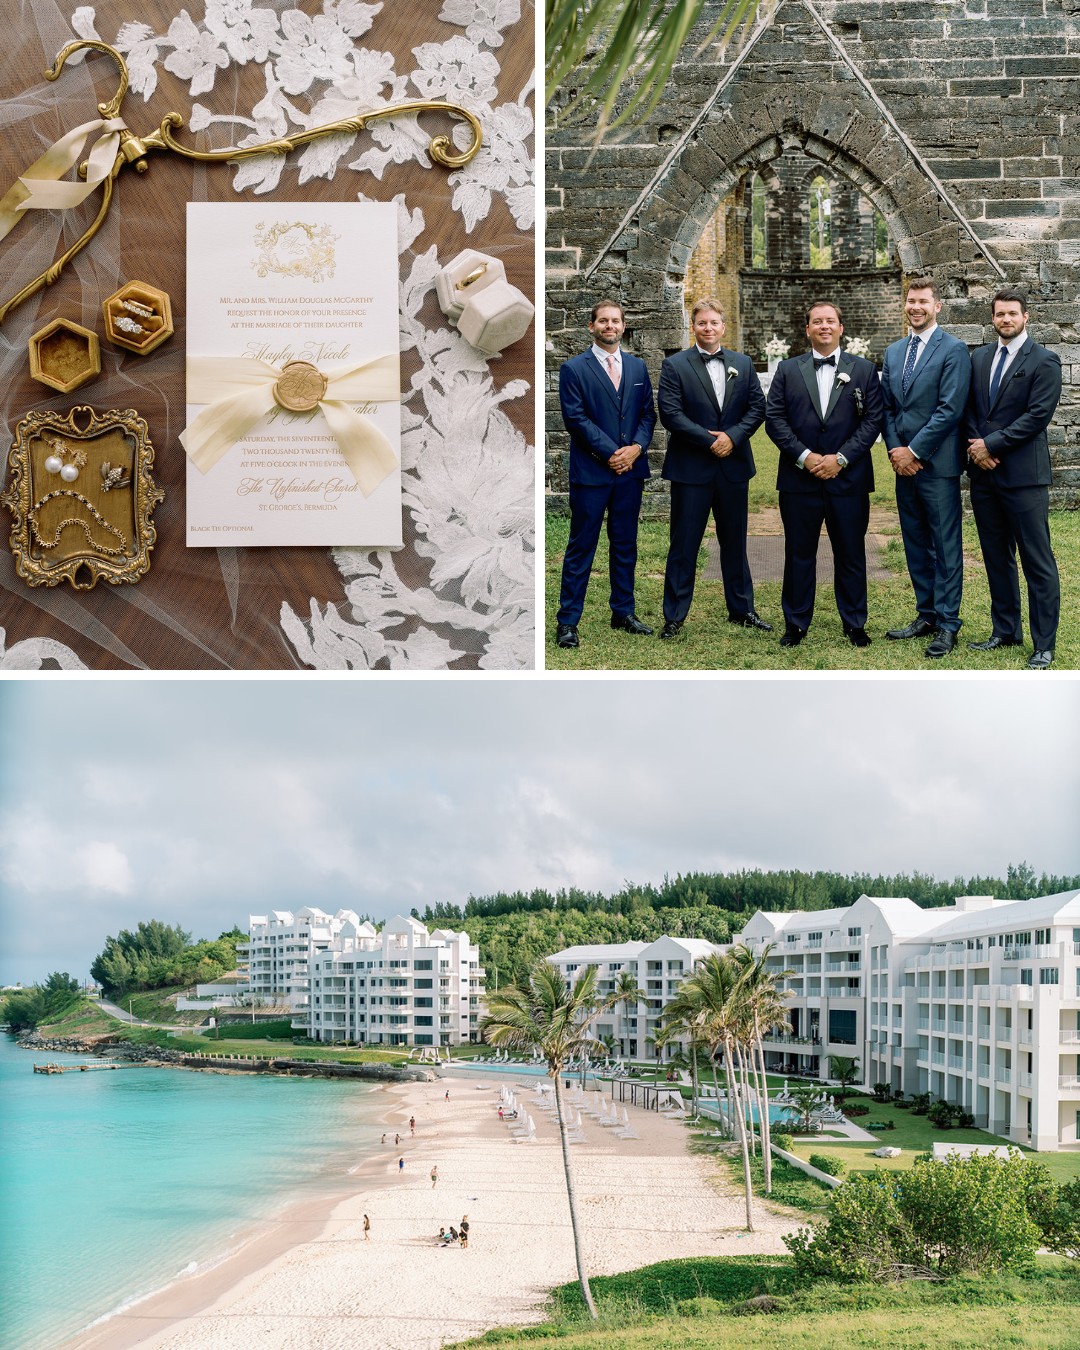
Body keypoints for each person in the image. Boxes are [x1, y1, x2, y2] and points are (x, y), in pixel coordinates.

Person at [765, 299, 883, 647]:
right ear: (807, 329)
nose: (824, 326)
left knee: (850, 551)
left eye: (831, 321)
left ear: (841, 328)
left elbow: (873, 419)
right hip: (800, 479)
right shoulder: (787, 370)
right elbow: (775, 419)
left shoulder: (862, 369)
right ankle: (796, 622)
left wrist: (841, 458)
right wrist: (805, 456)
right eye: (817, 321)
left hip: (849, 479)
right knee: (799, 552)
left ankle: (855, 622)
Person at [657, 297, 769, 639]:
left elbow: (757, 407)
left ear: (723, 326)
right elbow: (671, 414)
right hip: (692, 468)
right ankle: (674, 615)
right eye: (702, 323)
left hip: (733, 468)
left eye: (714, 323)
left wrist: (732, 438)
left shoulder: (743, 363)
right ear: (694, 326)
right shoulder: (675, 365)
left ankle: (742, 609)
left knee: (734, 542)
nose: (708, 328)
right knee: (684, 544)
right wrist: (710, 441)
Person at [965, 287, 1062, 669]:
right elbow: (969, 408)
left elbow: (1037, 417)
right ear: (992, 318)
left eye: (1012, 314)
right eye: (999, 314)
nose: (1006, 320)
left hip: (1024, 478)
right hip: (984, 476)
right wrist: (977, 448)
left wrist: (991, 445)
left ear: (1026, 317)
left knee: (1037, 561)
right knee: (996, 557)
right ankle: (1005, 630)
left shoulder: (1045, 361)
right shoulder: (980, 358)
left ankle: (1043, 644)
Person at [555, 299, 657, 649]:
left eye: (615, 321)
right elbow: (575, 419)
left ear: (623, 326)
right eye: (603, 321)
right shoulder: (573, 369)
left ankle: (623, 612)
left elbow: (647, 415)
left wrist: (637, 448)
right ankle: (568, 621)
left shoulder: (638, 368)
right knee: (582, 546)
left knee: (626, 544)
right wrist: (611, 452)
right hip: (592, 472)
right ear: (591, 326)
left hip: (630, 472)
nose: (609, 326)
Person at [880, 276, 971, 658]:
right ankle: (927, 614)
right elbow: (886, 407)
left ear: (937, 307)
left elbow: (950, 409)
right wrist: (896, 450)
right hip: (903, 464)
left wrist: (915, 451)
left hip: (937, 464)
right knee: (916, 543)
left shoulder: (954, 349)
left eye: (923, 301)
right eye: (910, 301)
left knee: (945, 546)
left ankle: (948, 624)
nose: (915, 307)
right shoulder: (894, 351)